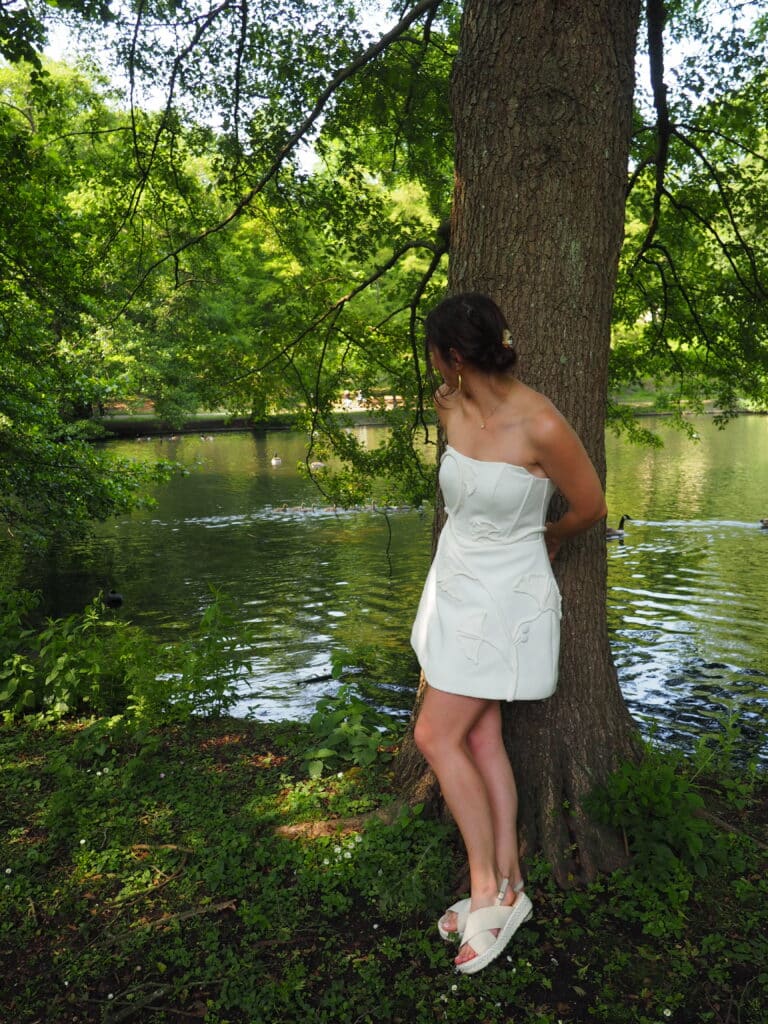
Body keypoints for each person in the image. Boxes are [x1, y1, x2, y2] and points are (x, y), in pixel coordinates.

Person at [410, 293, 607, 975]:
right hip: (456, 586)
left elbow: (591, 507)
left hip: (507, 598)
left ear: (457, 355)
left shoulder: (542, 424)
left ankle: (486, 890)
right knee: (482, 734)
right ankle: (513, 882)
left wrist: (548, 536)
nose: (435, 366)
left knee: (434, 735)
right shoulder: (449, 405)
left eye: (437, 353)